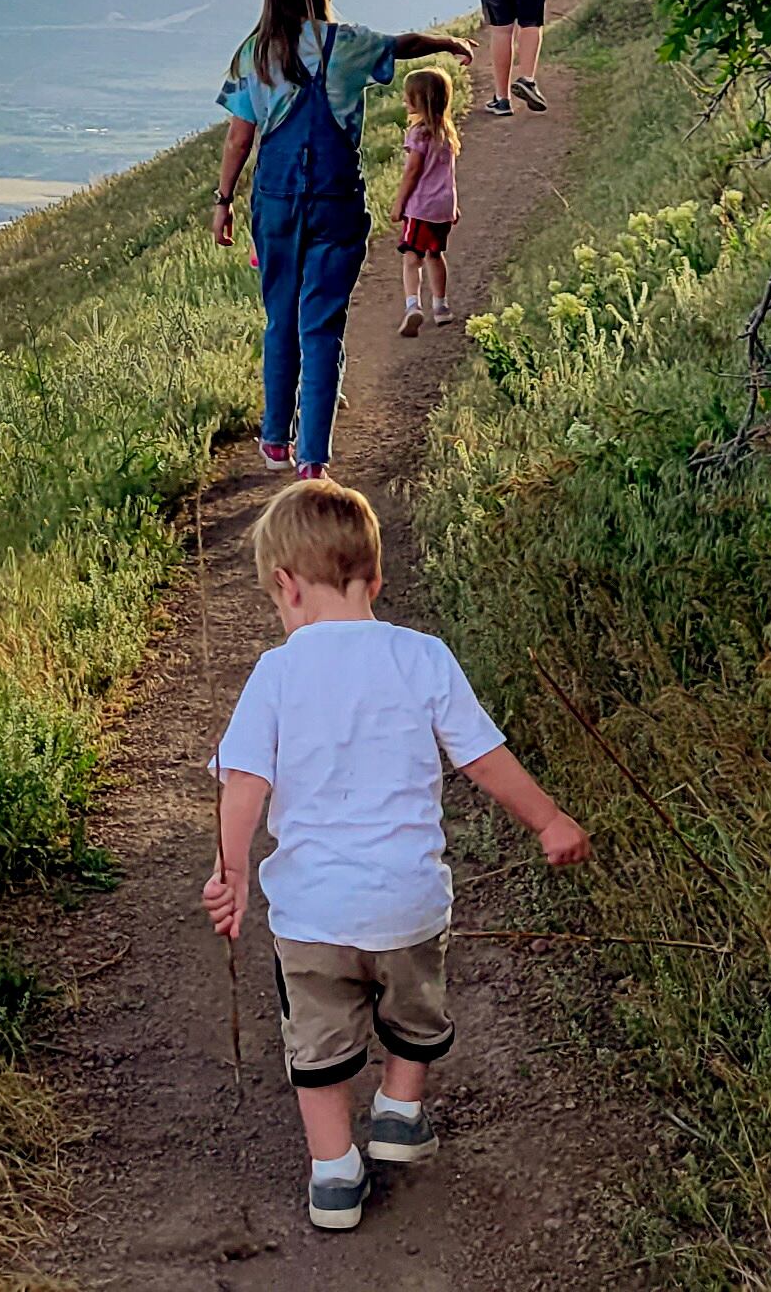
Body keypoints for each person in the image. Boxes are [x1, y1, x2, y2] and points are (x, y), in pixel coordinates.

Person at [202, 478, 590, 1233]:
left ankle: (334, 1174)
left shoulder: (275, 674)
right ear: (375, 580)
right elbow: (483, 757)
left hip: (311, 913)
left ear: (283, 587)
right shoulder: (423, 657)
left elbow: (244, 785)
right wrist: (548, 821)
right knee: (412, 1007)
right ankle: (401, 1111)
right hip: (408, 901)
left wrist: (233, 873)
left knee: (317, 1039)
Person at [215, 0, 471, 475]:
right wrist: (446, 42)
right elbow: (401, 44)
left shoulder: (252, 53)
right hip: (336, 200)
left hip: (276, 203)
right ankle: (312, 458)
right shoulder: (348, 44)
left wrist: (224, 202)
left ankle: (274, 441)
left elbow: (240, 139)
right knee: (323, 325)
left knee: (279, 320)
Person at [392, 68, 459, 336]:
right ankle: (441, 307)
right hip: (443, 206)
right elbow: (447, 173)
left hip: (421, 207)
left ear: (419, 101)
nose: (404, 101)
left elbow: (413, 171)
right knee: (435, 254)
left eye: (408, 97)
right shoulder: (446, 132)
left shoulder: (418, 134)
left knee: (411, 257)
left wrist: (399, 203)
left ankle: (413, 306)